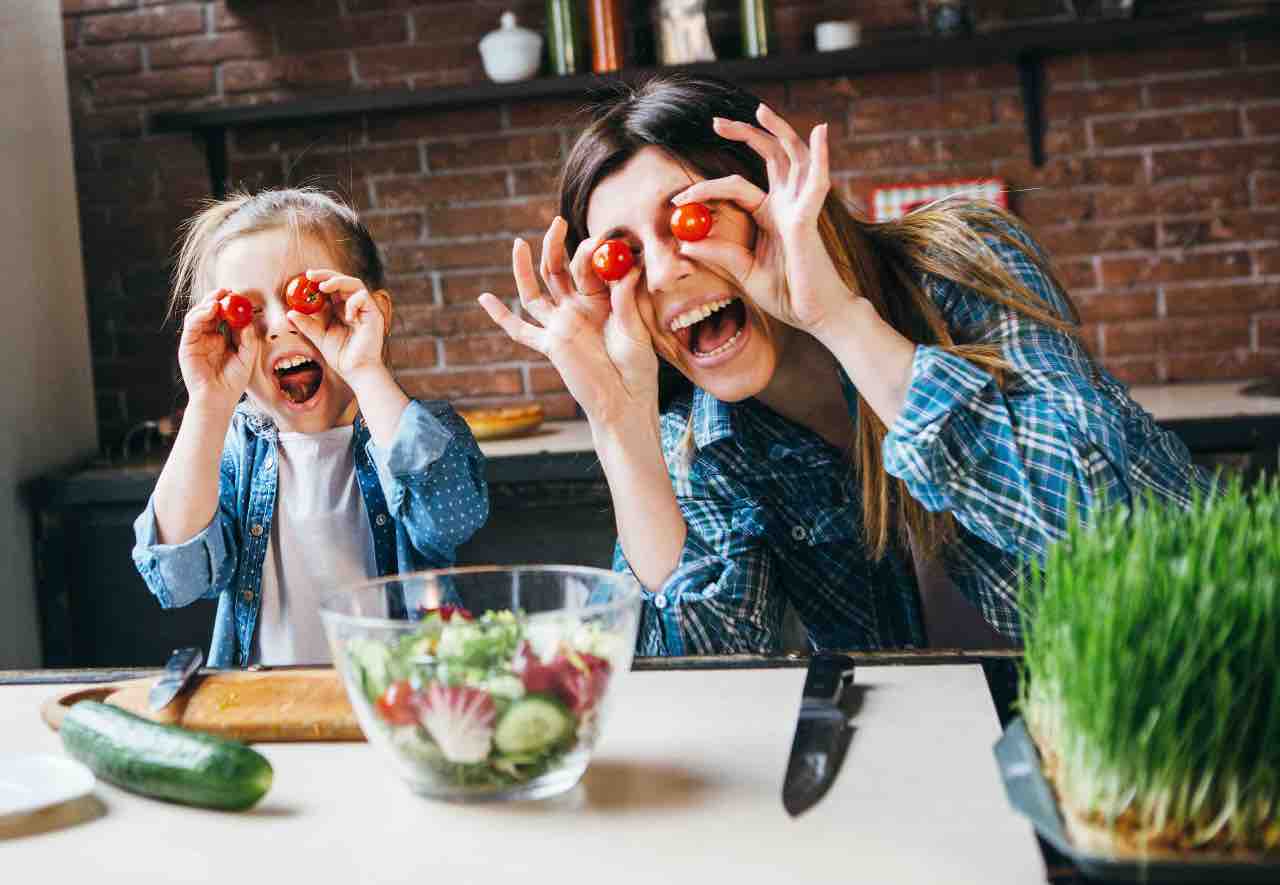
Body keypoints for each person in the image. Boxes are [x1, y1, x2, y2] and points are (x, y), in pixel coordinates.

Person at [479, 75, 1213, 656]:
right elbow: (701, 673)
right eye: (622, 254)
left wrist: (835, 318)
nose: (665, 271)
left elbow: (1106, 527)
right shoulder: (702, 442)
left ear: (769, 202)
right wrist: (620, 425)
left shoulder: (962, 263)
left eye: (690, 217)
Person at [133, 188, 488, 668]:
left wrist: (365, 368)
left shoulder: (416, 430)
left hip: (405, 697)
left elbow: (451, 520)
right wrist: (208, 403)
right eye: (247, 310)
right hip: (271, 704)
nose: (278, 326)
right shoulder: (233, 448)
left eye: (307, 297)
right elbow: (178, 579)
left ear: (373, 312)